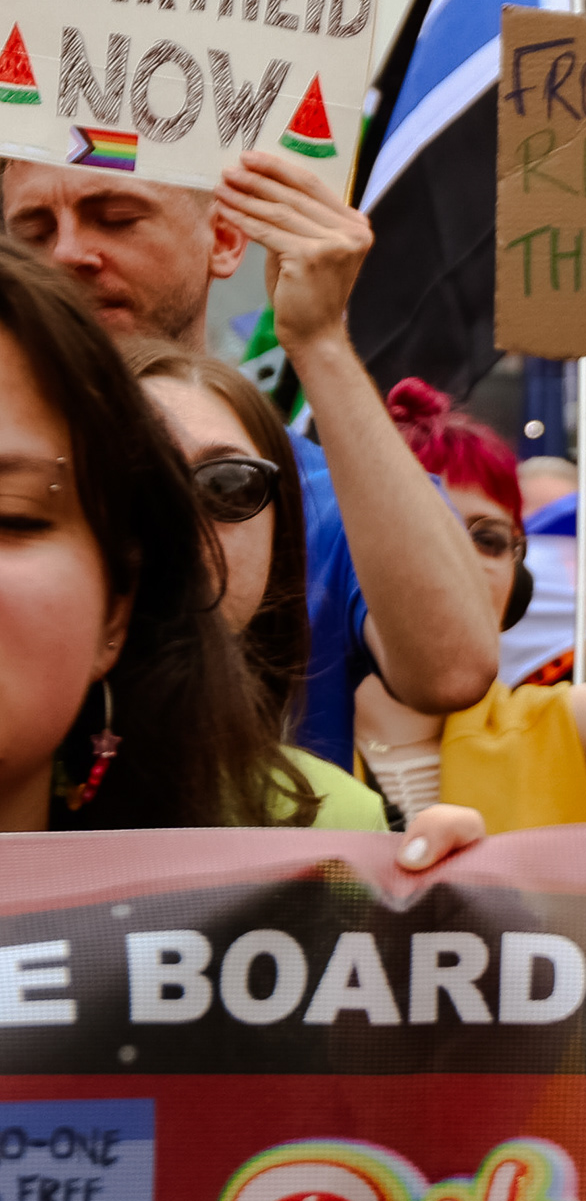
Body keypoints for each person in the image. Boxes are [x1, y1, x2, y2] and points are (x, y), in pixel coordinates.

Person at [2, 149, 502, 755]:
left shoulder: (310, 488)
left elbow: (453, 669)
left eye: (115, 217)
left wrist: (320, 341)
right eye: (33, 231)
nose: (66, 254)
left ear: (224, 238)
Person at [120, 342, 390, 830]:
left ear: (279, 538)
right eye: (142, 483)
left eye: (228, 483)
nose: (182, 521)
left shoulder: (342, 820)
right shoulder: (20, 778)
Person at [345, 383, 534, 819]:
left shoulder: (569, 730)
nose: (458, 562)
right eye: (427, 531)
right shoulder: (251, 753)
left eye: (488, 539)